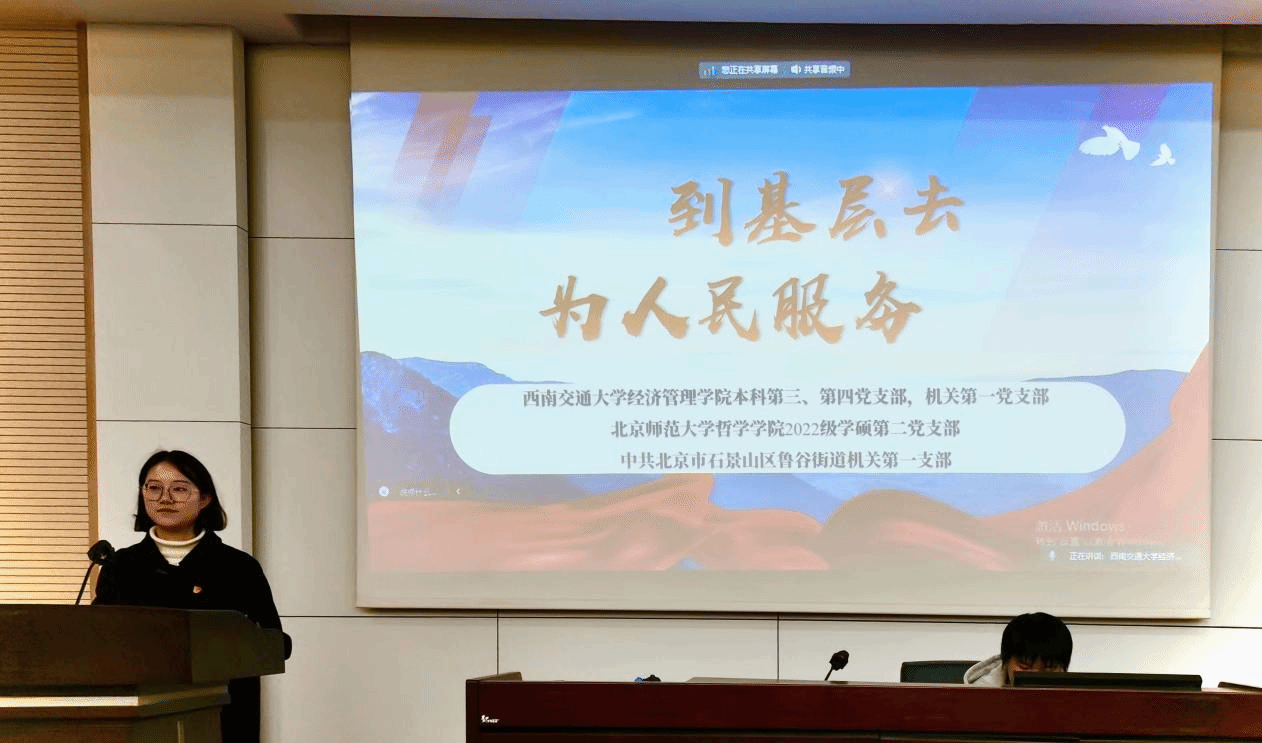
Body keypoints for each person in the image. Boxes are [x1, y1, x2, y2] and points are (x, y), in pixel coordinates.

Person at [93, 450, 290, 743]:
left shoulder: (238, 567)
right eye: (154, 488)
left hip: (222, 717)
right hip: (141, 720)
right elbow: (96, 641)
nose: (165, 498)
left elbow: (277, 645)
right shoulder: (121, 566)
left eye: (179, 489)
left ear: (205, 499)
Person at [964, 612, 1072, 686]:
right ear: (1006, 662)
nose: (1035, 676)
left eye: (1048, 669)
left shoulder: (1074, 700)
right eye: (1025, 666)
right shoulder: (978, 697)